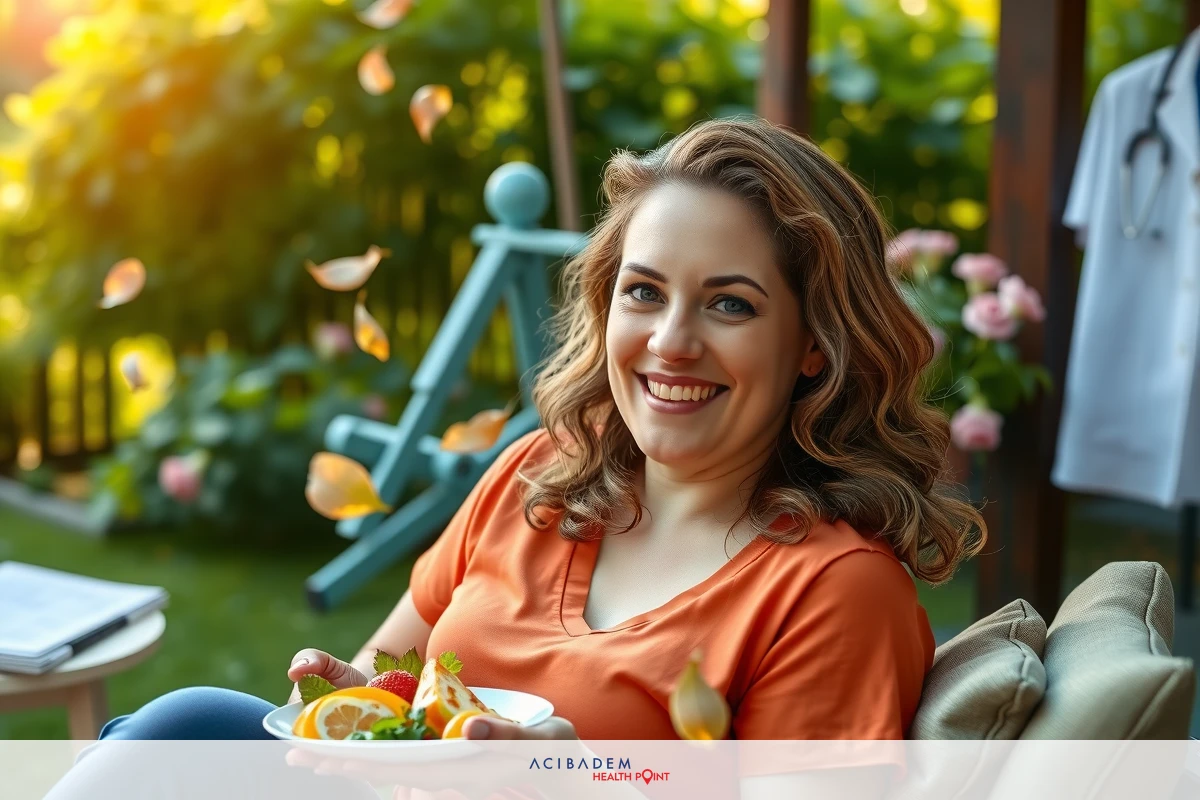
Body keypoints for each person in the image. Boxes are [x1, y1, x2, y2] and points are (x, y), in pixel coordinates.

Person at [99, 117, 984, 750]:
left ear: (813, 350)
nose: (671, 342)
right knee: (180, 726)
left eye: (729, 304)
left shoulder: (832, 592)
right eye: (644, 292)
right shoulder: (540, 475)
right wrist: (361, 702)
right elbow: (384, 681)